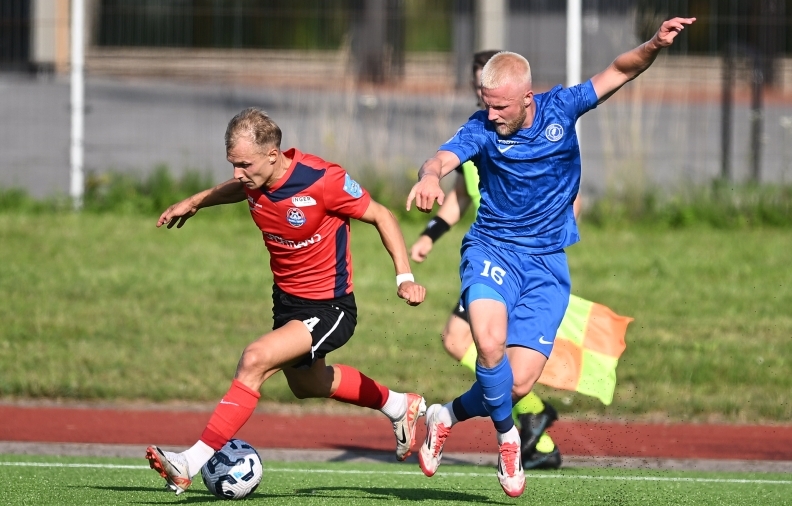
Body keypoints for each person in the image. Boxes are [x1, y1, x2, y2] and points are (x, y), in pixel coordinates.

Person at [406, 18, 695, 497]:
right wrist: (431, 176)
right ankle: (508, 440)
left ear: (527, 98)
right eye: (486, 104)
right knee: (489, 343)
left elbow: (620, 71)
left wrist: (654, 44)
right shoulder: (481, 128)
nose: (491, 114)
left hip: (546, 265)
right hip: (491, 250)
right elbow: (441, 158)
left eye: (500, 106)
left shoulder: (563, 106)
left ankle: (446, 414)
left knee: (517, 385)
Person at [147, 107, 428, 495]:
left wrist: (405, 277)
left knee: (255, 359)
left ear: (273, 155)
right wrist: (196, 201)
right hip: (288, 305)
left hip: (330, 307)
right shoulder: (253, 180)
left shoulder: (322, 180)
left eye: (244, 164)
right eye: (232, 164)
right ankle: (400, 405)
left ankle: (188, 462)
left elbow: (382, 215)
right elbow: (238, 188)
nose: (237, 174)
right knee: (309, 384)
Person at [410, 49, 564, 471]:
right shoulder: (479, 132)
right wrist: (430, 234)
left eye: (496, 96)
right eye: (482, 93)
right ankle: (518, 430)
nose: (488, 105)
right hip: (494, 253)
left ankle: (522, 419)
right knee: (473, 342)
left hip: (536, 260)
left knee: (503, 370)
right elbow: (459, 193)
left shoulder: (536, 129)